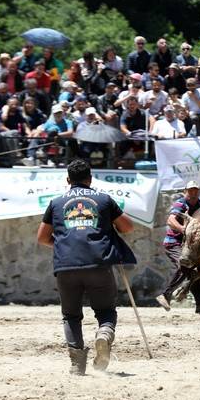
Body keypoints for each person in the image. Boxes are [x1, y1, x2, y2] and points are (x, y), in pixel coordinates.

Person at [36, 159, 135, 375]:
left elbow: (42, 238)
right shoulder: (104, 199)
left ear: (68, 180)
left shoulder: (56, 202)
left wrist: (61, 244)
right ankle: (104, 334)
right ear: (90, 179)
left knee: (71, 315)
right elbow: (127, 227)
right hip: (98, 263)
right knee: (106, 310)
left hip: (66, 265)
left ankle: (77, 365)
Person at [155, 181, 200, 314]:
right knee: (185, 265)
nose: (193, 193)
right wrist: (184, 229)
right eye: (190, 191)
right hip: (174, 243)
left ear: (199, 191)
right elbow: (171, 220)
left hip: (190, 245)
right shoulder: (181, 203)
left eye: (195, 190)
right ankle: (165, 295)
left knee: (192, 270)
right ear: (185, 191)